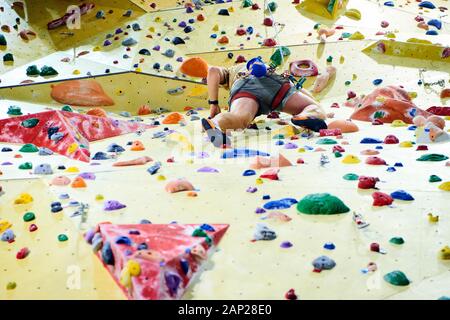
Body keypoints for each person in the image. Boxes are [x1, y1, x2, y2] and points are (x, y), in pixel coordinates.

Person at [179, 56, 329, 147]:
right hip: (274, 82)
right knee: (313, 107)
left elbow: (212, 72)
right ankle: (305, 115)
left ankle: (217, 124)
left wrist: (213, 104)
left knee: (240, 119)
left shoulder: (230, 71)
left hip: (245, 85)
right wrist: (312, 103)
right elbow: (299, 89)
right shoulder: (252, 66)